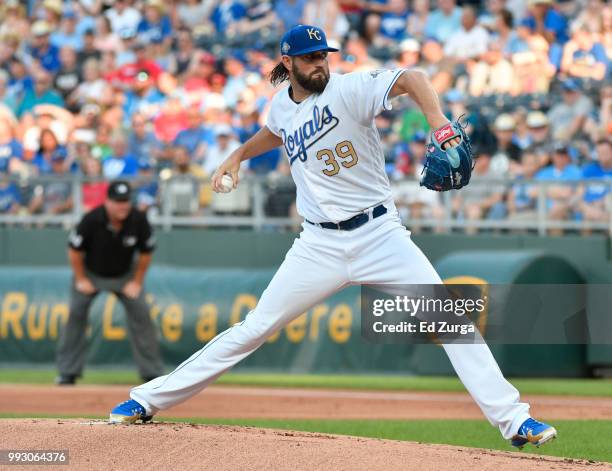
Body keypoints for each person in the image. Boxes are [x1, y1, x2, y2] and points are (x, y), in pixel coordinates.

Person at [109, 24, 557, 451]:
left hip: (380, 233)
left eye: (323, 54)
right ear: (288, 62)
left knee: (449, 319)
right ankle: (148, 399)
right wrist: (237, 154)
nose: (320, 63)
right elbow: (274, 130)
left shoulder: (348, 88)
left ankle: (515, 420)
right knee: (254, 328)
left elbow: (413, 77)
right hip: (318, 245)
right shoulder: (282, 106)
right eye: (309, 58)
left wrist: (437, 119)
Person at [57, 180, 163, 385]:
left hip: (125, 275)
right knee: (76, 315)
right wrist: (80, 279)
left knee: (142, 316)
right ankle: (67, 372)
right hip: (91, 273)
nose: (122, 206)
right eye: (117, 201)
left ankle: (152, 374)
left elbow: (146, 252)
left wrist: (137, 281)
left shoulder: (138, 220)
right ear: (107, 202)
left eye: (126, 201)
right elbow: (74, 250)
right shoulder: (91, 219)